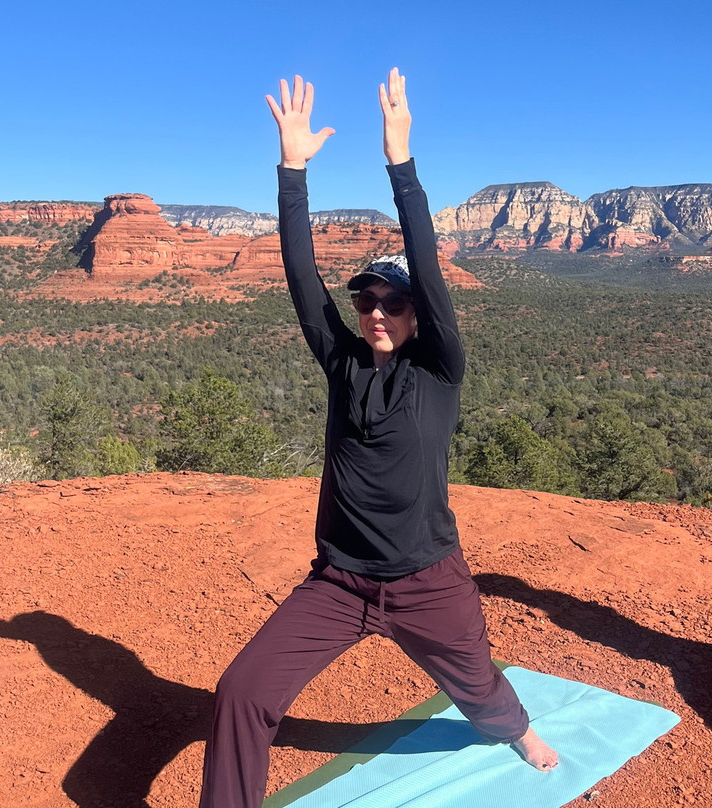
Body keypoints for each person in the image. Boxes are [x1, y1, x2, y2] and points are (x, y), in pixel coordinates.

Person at [198, 68, 558, 808]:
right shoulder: (342, 361)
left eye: (393, 301)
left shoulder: (440, 366)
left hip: (429, 580)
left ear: (417, 310)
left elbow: (427, 266)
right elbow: (302, 278)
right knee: (241, 691)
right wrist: (291, 170)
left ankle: (513, 726)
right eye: (366, 299)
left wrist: (402, 164)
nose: (378, 311)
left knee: (478, 682)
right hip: (338, 583)